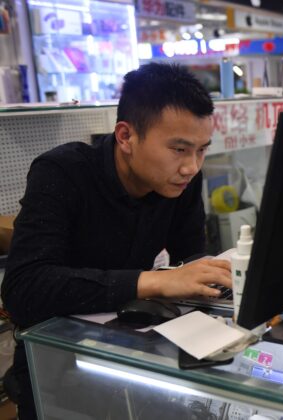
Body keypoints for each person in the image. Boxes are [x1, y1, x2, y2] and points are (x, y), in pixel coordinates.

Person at [2, 63, 232, 419]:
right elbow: (24, 288)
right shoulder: (62, 173)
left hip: (132, 354)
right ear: (126, 136)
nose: (192, 166)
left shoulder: (180, 181)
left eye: (201, 150)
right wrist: (152, 281)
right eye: (179, 149)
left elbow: (191, 257)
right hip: (54, 364)